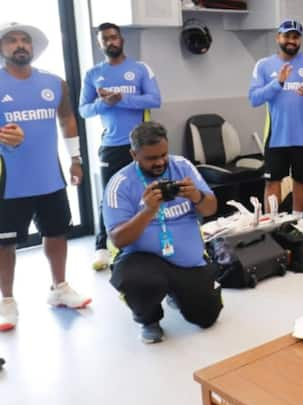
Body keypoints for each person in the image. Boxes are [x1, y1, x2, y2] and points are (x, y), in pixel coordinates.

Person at [0, 23, 91, 332]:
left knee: (57, 233)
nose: (19, 45)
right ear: (2, 48)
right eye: (11, 41)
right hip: (8, 184)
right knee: (4, 244)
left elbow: (67, 118)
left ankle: (60, 289)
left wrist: (76, 159)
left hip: (49, 178)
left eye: (25, 40)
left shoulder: (55, 83)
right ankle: (7, 301)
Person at [103, 122, 222, 343]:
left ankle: (176, 292)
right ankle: (148, 319)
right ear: (133, 154)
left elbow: (211, 208)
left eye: (163, 155)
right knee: (138, 280)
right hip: (142, 261)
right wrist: (148, 211)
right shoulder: (120, 183)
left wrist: (196, 196)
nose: (159, 162)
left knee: (207, 318)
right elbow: (118, 239)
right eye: (150, 158)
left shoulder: (183, 167)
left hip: (188, 261)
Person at [80, 22, 162, 271]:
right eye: (105, 39)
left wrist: (121, 98)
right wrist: (106, 103)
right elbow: (84, 110)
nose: (110, 42)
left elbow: (155, 99)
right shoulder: (93, 74)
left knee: (145, 193)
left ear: (121, 39)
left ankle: (147, 240)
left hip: (141, 145)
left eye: (113, 37)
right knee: (108, 196)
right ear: (100, 43)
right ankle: (102, 247)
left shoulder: (139, 69)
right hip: (111, 145)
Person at [248, 19, 303, 217]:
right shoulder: (264, 65)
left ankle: (297, 221)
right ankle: (272, 225)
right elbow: (254, 99)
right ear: (278, 37)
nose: (291, 40)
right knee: (272, 181)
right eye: (287, 36)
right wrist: (278, 82)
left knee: (302, 180)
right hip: (276, 136)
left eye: (295, 36)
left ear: (300, 40)